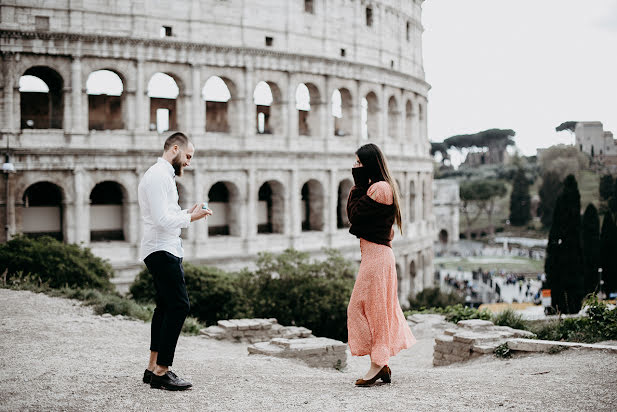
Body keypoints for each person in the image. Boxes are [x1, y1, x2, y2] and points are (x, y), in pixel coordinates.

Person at [138, 132, 212, 391]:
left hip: (161, 247)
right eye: (188, 156)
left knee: (165, 307)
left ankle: (152, 368)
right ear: (175, 149)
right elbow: (161, 221)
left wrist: (186, 213)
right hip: (162, 249)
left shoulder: (160, 175)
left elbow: (166, 215)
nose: (189, 162)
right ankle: (162, 371)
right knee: (180, 306)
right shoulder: (159, 176)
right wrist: (191, 218)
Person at [346, 143, 416, 387]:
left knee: (363, 309)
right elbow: (357, 221)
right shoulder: (377, 187)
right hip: (374, 256)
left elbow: (354, 216)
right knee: (376, 310)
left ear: (368, 164)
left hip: (377, 257)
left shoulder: (380, 189)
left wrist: (357, 184)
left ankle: (377, 364)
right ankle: (382, 364)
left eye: (358, 163)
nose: (354, 167)